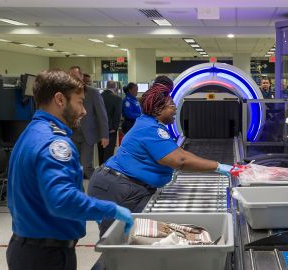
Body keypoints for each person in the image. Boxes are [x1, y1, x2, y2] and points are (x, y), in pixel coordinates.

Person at [6, 70, 133, 270]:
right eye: (80, 102)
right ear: (60, 100)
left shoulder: (31, 133)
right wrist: (110, 209)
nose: (84, 111)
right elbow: (62, 200)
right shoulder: (55, 143)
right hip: (47, 256)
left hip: (26, 247)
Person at [87, 77, 236, 237]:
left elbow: (179, 154)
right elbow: (180, 160)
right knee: (116, 239)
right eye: (172, 106)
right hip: (115, 188)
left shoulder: (149, 125)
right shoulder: (150, 129)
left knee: (132, 236)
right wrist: (219, 167)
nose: (176, 109)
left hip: (127, 185)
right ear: (158, 109)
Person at [69, 66, 109, 179]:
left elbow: (102, 115)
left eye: (76, 77)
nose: (73, 80)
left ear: (81, 77)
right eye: (71, 77)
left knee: (87, 166)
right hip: (71, 133)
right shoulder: (66, 92)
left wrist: (104, 135)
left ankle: (97, 187)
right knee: (73, 165)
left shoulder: (92, 92)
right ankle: (77, 190)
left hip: (88, 134)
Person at [98, 80, 122, 164]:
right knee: (109, 152)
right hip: (110, 129)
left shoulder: (99, 96)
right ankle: (107, 172)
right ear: (115, 87)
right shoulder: (117, 98)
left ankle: (100, 171)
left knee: (101, 152)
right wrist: (114, 128)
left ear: (106, 87)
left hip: (99, 129)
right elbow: (117, 115)